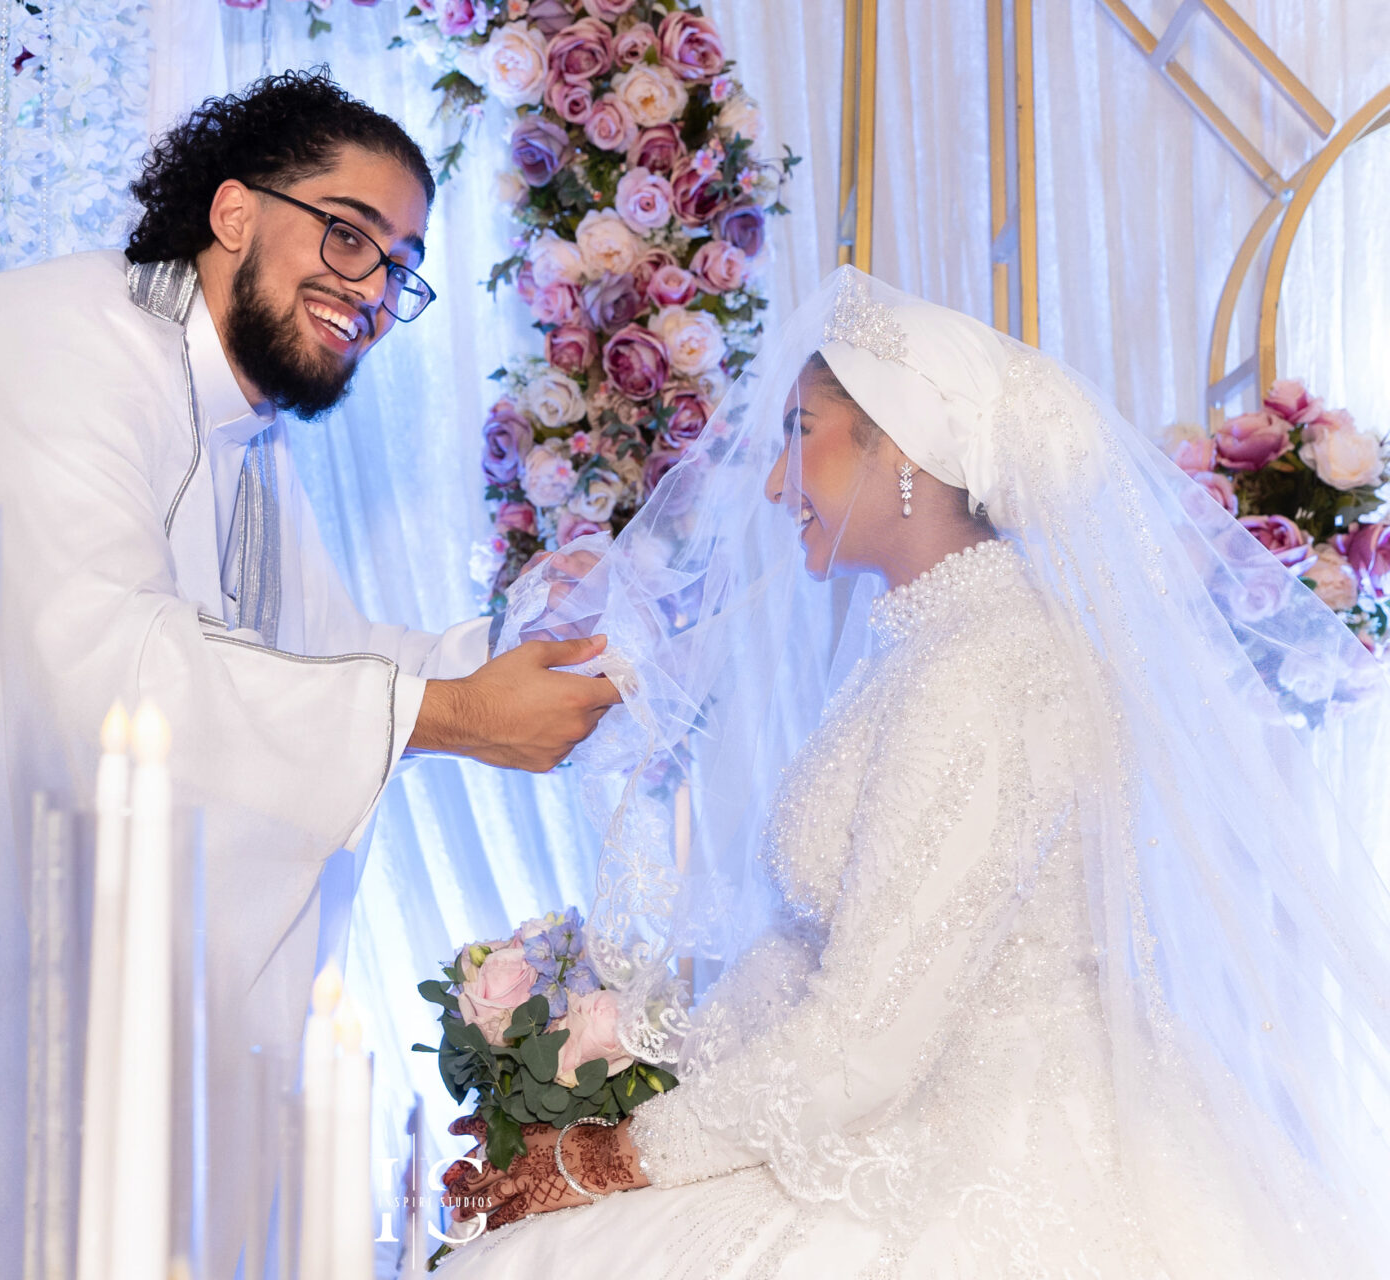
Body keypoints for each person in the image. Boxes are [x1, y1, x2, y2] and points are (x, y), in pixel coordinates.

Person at [434, 267, 1390, 1278]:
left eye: (799, 431)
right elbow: (822, 966)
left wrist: (606, 1157)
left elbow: (869, 1035)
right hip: (906, 1108)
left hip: (986, 1158)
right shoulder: (936, 640)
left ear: (900, 447)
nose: (771, 483)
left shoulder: (985, 667)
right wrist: (645, 1054)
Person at [0, 71, 619, 1276]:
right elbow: (101, 666)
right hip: (11, 977)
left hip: (168, 1008)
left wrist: (523, 642)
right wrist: (452, 712)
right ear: (235, 212)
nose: (369, 288)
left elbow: (317, 650)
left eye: (398, 267)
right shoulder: (72, 343)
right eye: (347, 234)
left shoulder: (233, 416)